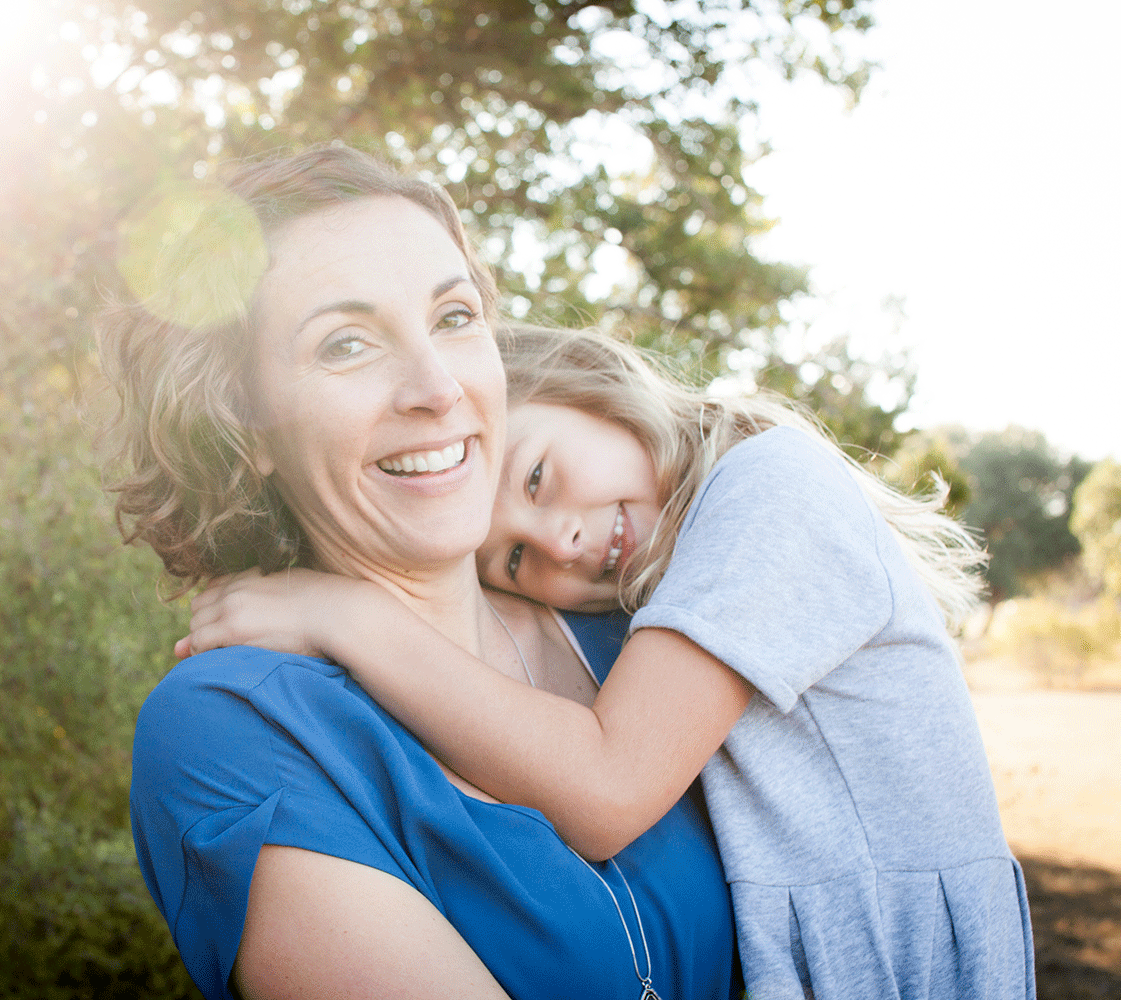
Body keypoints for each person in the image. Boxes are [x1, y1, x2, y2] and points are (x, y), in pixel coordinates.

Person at [185, 324, 1038, 999]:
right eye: (515, 560)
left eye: (536, 478)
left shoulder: (769, 487)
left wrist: (347, 616)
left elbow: (608, 786)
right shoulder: (671, 591)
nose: (561, 541)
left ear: (585, 386)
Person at [102, 151, 741, 999]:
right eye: (346, 344)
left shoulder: (635, 617)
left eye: (454, 316)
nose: (437, 389)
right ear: (242, 425)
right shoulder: (237, 727)